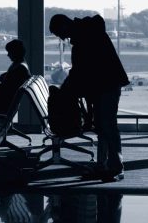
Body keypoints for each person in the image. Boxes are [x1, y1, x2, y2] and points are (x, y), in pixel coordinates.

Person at [49, 14, 129, 182]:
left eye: (59, 33)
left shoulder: (83, 39)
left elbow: (81, 71)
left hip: (105, 85)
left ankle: (114, 167)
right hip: (106, 85)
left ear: (64, 26)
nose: (62, 38)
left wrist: (68, 89)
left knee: (107, 126)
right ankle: (106, 166)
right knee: (105, 127)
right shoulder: (89, 32)